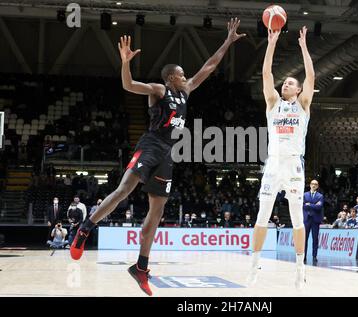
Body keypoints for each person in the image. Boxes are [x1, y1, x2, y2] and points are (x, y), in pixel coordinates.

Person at [69, 18, 245, 296]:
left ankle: (141, 267)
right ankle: (86, 227)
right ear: (171, 76)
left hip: (167, 153)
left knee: (158, 209)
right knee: (124, 189)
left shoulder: (186, 91)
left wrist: (227, 41)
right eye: (182, 73)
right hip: (150, 145)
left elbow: (209, 66)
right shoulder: (159, 90)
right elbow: (128, 86)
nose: (186, 76)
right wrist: (125, 62)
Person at [248, 26, 315, 289]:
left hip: (294, 165)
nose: (285, 83)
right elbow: (266, 73)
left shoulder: (303, 104)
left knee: (297, 218)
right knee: (262, 216)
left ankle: (300, 268)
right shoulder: (273, 102)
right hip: (273, 163)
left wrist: (303, 47)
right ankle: (254, 265)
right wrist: (271, 43)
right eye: (284, 81)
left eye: (290, 82)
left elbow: (311, 75)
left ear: (297, 91)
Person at [303, 180, 324, 265]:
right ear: (310, 185)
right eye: (312, 184)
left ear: (317, 186)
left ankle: (314, 256)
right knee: (305, 239)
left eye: (316, 184)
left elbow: (319, 207)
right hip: (307, 219)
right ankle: (303, 256)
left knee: (315, 239)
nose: (314, 185)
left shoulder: (320, 196)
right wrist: (314, 205)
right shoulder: (305, 195)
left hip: (315, 220)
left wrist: (309, 204)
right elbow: (303, 205)